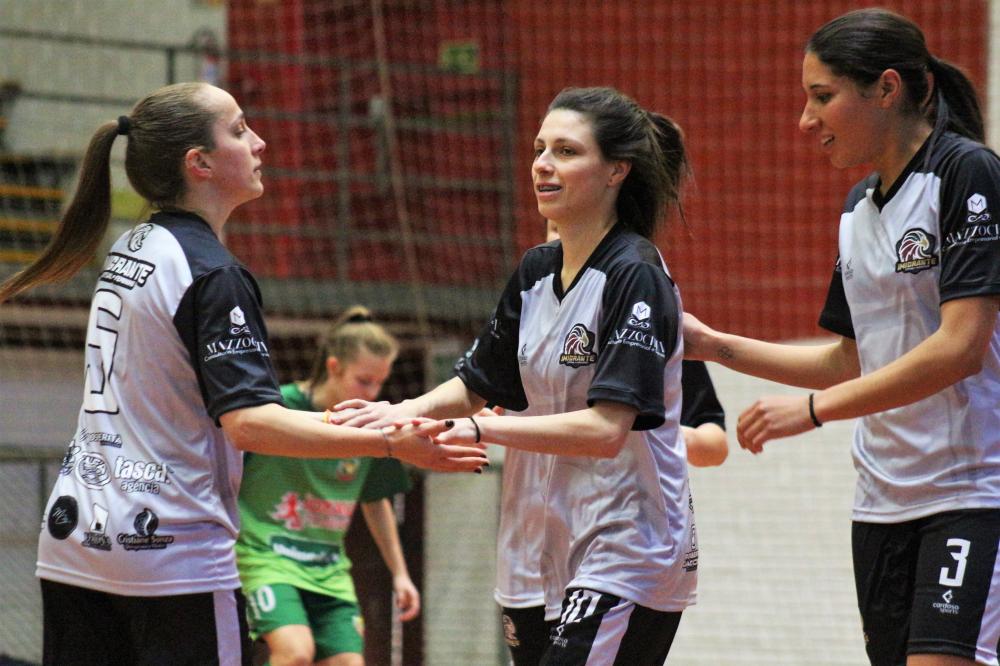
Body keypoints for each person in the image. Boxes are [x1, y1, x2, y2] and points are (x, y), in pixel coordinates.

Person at [0, 82, 486, 666]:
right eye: (238, 130)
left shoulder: (132, 245)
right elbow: (251, 425)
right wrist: (388, 441)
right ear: (198, 163)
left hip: (76, 540)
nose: (258, 142)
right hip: (166, 554)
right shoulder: (213, 274)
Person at [333, 86, 697, 665]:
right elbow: (479, 383)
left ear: (615, 172)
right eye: (538, 148)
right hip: (535, 548)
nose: (543, 165)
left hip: (627, 545)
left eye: (566, 151)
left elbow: (607, 430)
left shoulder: (636, 274)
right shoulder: (534, 270)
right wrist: (402, 411)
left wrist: (483, 432)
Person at [684, 8, 1000, 666]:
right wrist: (715, 345)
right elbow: (849, 360)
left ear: (886, 89)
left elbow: (960, 345)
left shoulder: (966, 175)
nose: (806, 121)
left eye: (821, 97)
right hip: (881, 505)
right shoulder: (858, 210)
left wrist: (812, 413)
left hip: (972, 493)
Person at [496, 220, 727, 666]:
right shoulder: (530, 302)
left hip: (612, 537)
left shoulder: (637, 302)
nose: (561, 235)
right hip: (529, 547)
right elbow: (485, 394)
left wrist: (637, 423)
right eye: (551, 226)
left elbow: (714, 442)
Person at [236, 305, 420, 666]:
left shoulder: (369, 423)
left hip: (327, 568)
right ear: (334, 367)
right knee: (295, 653)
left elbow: (376, 501)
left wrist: (400, 574)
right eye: (364, 381)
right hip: (265, 557)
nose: (373, 392)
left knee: (349, 663)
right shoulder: (278, 409)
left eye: (380, 383)